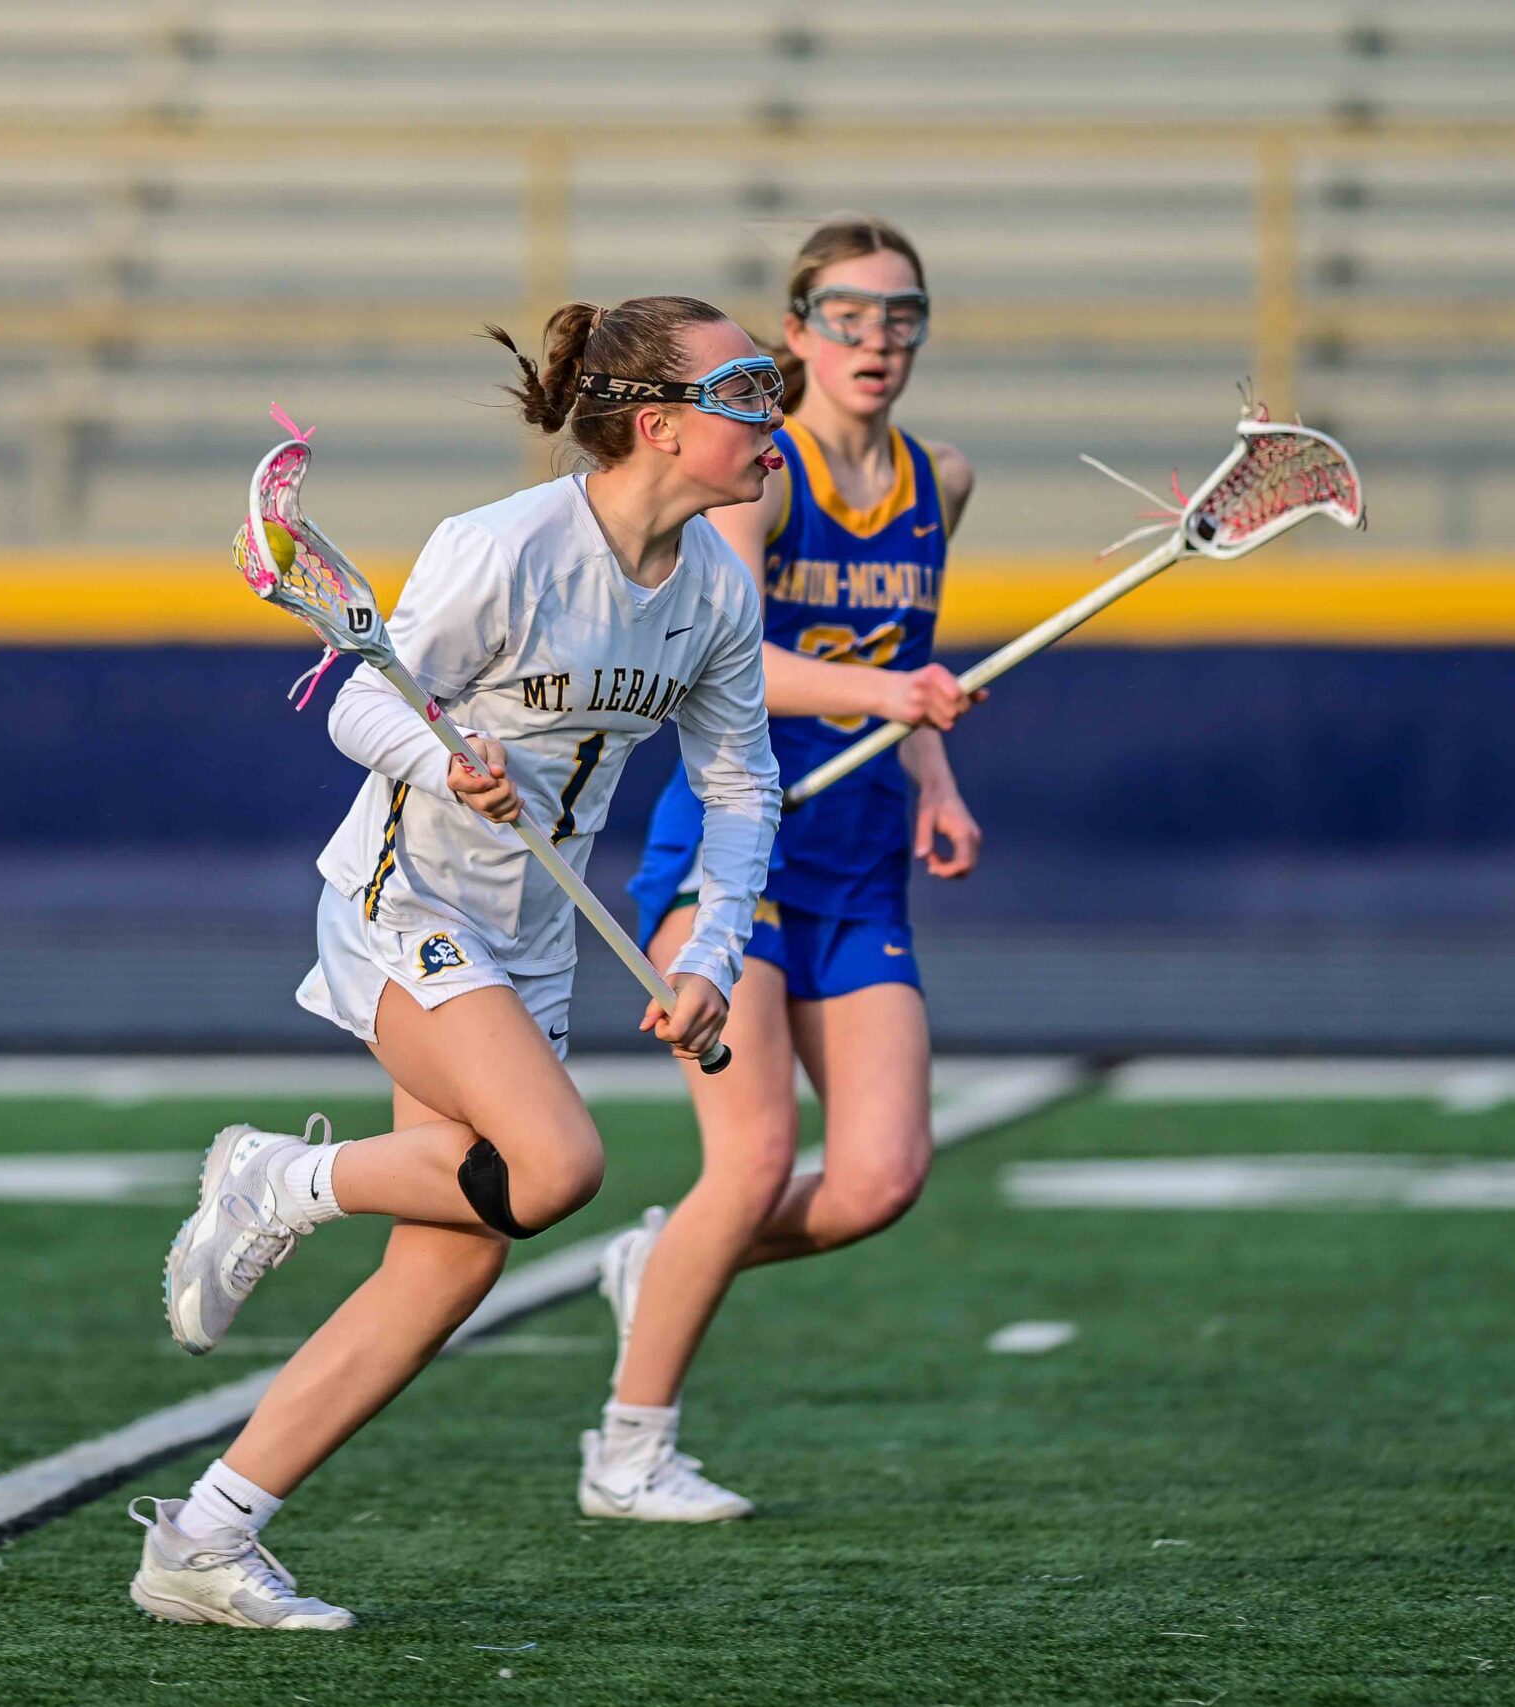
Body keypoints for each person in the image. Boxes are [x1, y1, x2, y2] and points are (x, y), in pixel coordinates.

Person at [128, 294, 783, 1629]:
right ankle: (283, 1177)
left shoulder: (714, 585)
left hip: (530, 938)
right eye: (747, 392)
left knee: (453, 1263)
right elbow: (361, 701)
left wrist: (713, 952)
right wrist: (446, 764)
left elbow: (740, 785)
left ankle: (204, 1536)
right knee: (557, 1166)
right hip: (407, 899)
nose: (773, 419)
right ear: (657, 424)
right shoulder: (505, 545)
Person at [594, 215, 982, 1521]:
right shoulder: (760, 474)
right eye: (848, 316)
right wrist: (895, 694)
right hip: (730, 855)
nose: (878, 341)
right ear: (799, 331)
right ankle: (628, 1450)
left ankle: (663, 1258)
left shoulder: (941, 478)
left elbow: (904, 662)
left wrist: (935, 775)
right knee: (753, 1158)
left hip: (859, 862)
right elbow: (736, 662)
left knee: (879, 1180)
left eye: (901, 317)